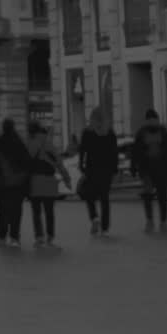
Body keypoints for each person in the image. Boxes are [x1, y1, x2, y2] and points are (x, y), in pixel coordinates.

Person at [131, 108, 167, 233]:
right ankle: (149, 221)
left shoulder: (164, 133)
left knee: (162, 195)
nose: (152, 122)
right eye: (150, 120)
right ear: (146, 121)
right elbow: (135, 151)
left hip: (162, 168)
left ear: (157, 120)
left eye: (154, 120)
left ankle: (163, 222)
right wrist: (133, 166)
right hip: (146, 168)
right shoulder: (141, 134)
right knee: (147, 194)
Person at [0, 118, 32, 248]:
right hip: (18, 183)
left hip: (0, 183)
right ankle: (14, 237)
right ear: (13, 127)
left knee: (2, 210)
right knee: (16, 210)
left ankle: (2, 236)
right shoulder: (19, 143)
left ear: (3, 128)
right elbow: (27, 163)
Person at [25, 121, 72, 247]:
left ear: (31, 132)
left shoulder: (29, 144)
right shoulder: (49, 144)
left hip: (34, 181)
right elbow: (59, 163)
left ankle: (39, 236)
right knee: (49, 211)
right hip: (49, 181)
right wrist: (67, 180)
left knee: (36, 211)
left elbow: (24, 165)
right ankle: (50, 236)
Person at [78, 105, 119, 236]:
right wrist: (115, 168)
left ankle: (94, 217)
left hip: (92, 168)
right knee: (104, 198)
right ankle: (105, 228)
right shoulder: (110, 133)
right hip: (106, 170)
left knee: (89, 195)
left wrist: (81, 165)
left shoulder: (87, 132)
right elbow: (114, 152)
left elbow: (82, 150)